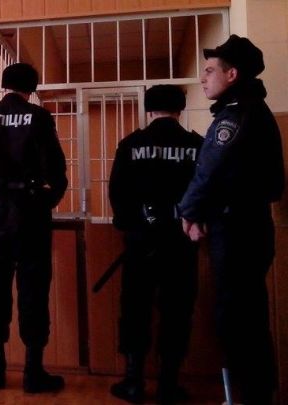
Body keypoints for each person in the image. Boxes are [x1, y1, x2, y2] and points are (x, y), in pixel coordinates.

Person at [179, 35, 284, 405]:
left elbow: (210, 169)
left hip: (238, 230)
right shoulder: (254, 110)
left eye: (209, 71)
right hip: (249, 225)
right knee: (247, 317)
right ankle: (256, 395)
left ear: (232, 74)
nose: (203, 78)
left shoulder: (236, 114)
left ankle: (252, 397)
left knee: (238, 320)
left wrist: (189, 211)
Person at [0, 62, 68, 393]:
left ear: (4, 84)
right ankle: (33, 372)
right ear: (32, 88)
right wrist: (47, 201)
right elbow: (56, 169)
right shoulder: (38, 117)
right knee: (33, 289)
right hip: (29, 210)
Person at [108, 85, 203, 404]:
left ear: (148, 110)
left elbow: (117, 193)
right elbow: (206, 190)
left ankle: (133, 382)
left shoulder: (130, 144)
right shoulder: (196, 145)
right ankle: (168, 384)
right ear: (180, 108)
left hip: (140, 244)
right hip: (181, 243)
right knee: (177, 311)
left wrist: (132, 227)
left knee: (134, 308)